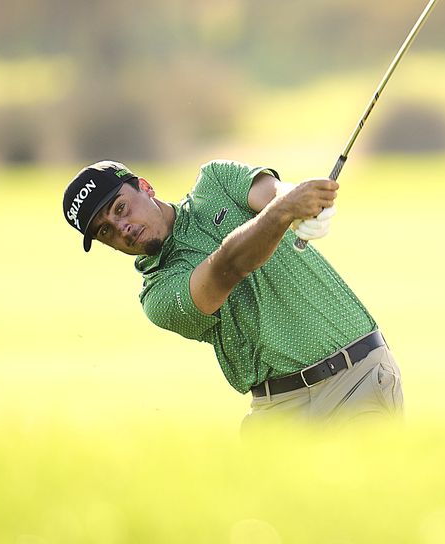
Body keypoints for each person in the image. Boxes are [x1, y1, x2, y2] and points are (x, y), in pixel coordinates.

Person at [61, 159, 403, 429]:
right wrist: (284, 211)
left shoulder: (216, 182)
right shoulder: (159, 295)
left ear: (145, 188)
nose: (122, 228)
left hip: (356, 377)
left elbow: (273, 193)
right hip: (277, 410)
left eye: (121, 208)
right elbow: (227, 268)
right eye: (105, 231)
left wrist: (303, 204)